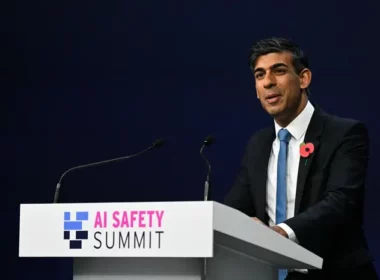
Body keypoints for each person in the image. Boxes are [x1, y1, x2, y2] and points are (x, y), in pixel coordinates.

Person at [224, 37, 378, 279]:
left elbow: (341, 202)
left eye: (279, 71)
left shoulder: (344, 133)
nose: (268, 82)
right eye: (260, 75)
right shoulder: (258, 144)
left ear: (304, 78)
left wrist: (280, 233)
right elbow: (236, 208)